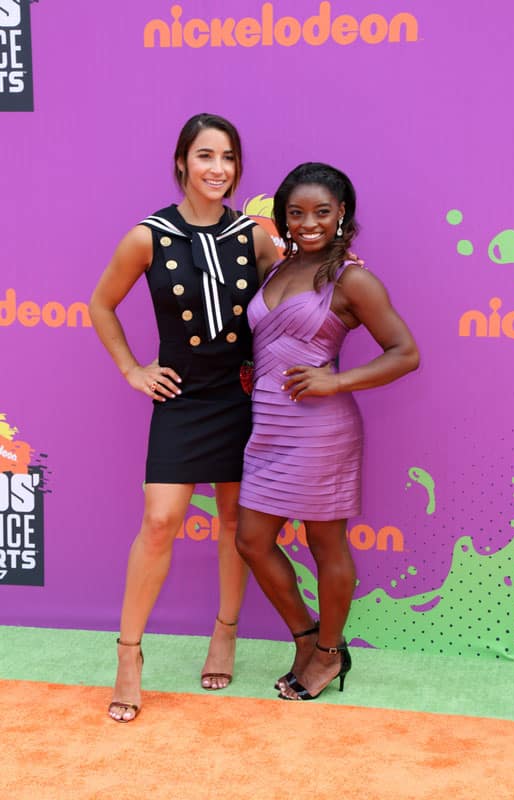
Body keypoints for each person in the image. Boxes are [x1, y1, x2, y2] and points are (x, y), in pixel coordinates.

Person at [89, 113, 278, 721]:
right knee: (162, 519)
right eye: (204, 156)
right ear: (182, 163)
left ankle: (224, 632)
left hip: (242, 395)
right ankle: (128, 653)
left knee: (232, 523)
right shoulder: (148, 236)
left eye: (227, 158)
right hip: (183, 398)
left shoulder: (254, 235)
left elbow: (303, 284)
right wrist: (131, 370)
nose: (217, 169)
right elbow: (101, 303)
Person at [236, 162, 419, 700]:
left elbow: (405, 353)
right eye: (296, 213)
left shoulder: (352, 278)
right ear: (283, 218)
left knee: (324, 541)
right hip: (268, 426)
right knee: (251, 540)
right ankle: (307, 637)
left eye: (321, 212)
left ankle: (330, 652)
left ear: (342, 214)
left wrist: (335, 382)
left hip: (322, 431)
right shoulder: (275, 269)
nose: (308, 222)